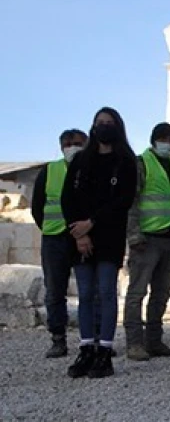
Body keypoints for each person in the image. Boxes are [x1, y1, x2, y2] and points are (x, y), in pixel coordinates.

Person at [61, 107, 139, 379]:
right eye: (99, 123)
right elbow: (67, 199)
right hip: (80, 236)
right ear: (93, 127)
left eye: (109, 123)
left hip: (108, 235)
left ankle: (104, 352)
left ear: (117, 126)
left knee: (106, 292)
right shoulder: (81, 161)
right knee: (85, 294)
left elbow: (123, 201)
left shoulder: (125, 161)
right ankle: (86, 349)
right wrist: (80, 233)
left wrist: (91, 223)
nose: (104, 127)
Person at [124, 123, 170, 361]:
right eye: (163, 138)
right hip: (146, 239)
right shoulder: (141, 164)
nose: (167, 143)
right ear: (153, 140)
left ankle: (155, 341)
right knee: (137, 293)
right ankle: (134, 343)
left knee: (161, 294)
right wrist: (133, 235)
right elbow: (131, 202)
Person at [32, 128, 87, 358]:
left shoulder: (91, 170)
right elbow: (37, 206)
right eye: (67, 143)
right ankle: (58, 339)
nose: (71, 147)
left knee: (89, 291)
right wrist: (49, 228)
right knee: (55, 291)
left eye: (76, 143)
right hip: (55, 238)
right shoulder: (49, 170)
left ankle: (93, 340)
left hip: (85, 239)